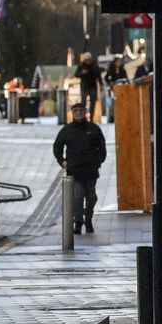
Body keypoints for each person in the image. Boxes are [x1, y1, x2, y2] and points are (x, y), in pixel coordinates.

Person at [52, 100, 108, 234]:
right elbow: (57, 146)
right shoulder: (67, 130)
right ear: (72, 113)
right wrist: (62, 161)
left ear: (85, 112)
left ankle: (88, 219)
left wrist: (98, 162)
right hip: (74, 170)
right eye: (75, 111)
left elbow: (102, 147)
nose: (78, 113)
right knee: (77, 196)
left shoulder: (93, 129)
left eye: (81, 111)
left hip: (90, 170)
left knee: (91, 197)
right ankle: (78, 222)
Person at [75, 52, 101, 118]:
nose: (87, 61)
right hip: (84, 86)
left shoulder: (95, 66)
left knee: (93, 103)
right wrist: (82, 73)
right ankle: (83, 117)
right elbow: (76, 75)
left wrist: (101, 84)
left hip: (93, 86)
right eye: (86, 59)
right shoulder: (81, 66)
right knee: (83, 103)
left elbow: (98, 76)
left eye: (88, 59)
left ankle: (91, 117)